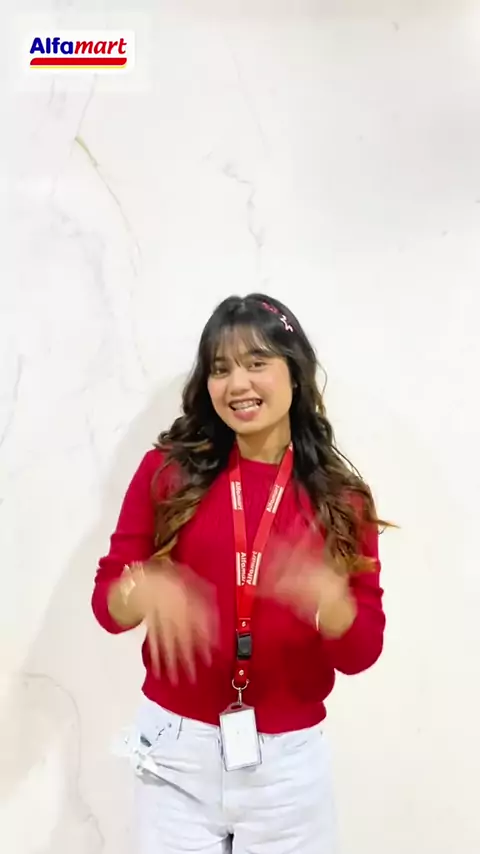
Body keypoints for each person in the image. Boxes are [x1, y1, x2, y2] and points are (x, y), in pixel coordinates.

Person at [91, 293, 388, 854]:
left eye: (257, 363)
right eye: (221, 368)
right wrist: (139, 590)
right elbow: (108, 606)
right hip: (175, 756)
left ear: (294, 373)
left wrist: (333, 605)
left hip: (287, 767)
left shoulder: (342, 499)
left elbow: (361, 652)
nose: (237, 383)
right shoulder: (165, 471)